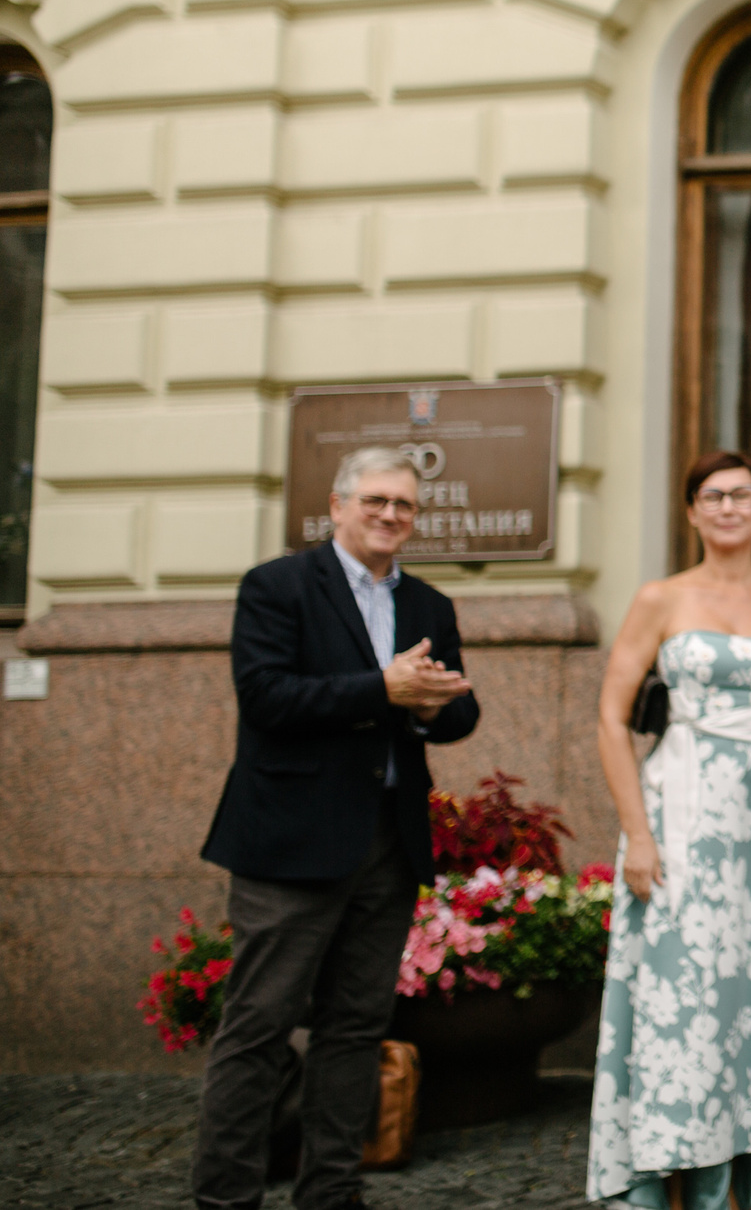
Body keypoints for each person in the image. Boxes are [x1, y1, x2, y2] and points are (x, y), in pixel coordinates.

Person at [193, 446, 480, 1210]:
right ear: (337, 505)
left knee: (355, 1028)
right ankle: (226, 1195)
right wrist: (382, 688)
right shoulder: (277, 586)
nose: (390, 514)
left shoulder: (429, 604)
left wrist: (434, 706)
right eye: (375, 499)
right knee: (259, 1025)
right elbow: (266, 697)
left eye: (404, 504)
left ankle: (331, 1191)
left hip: (387, 842)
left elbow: (458, 712)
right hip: (289, 842)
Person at [589, 450, 751, 1209]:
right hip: (685, 812)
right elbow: (610, 718)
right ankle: (674, 1167)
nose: (728, 506)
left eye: (742, 494)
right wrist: (639, 834)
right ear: (693, 511)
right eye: (713, 495)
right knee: (685, 985)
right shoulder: (660, 598)